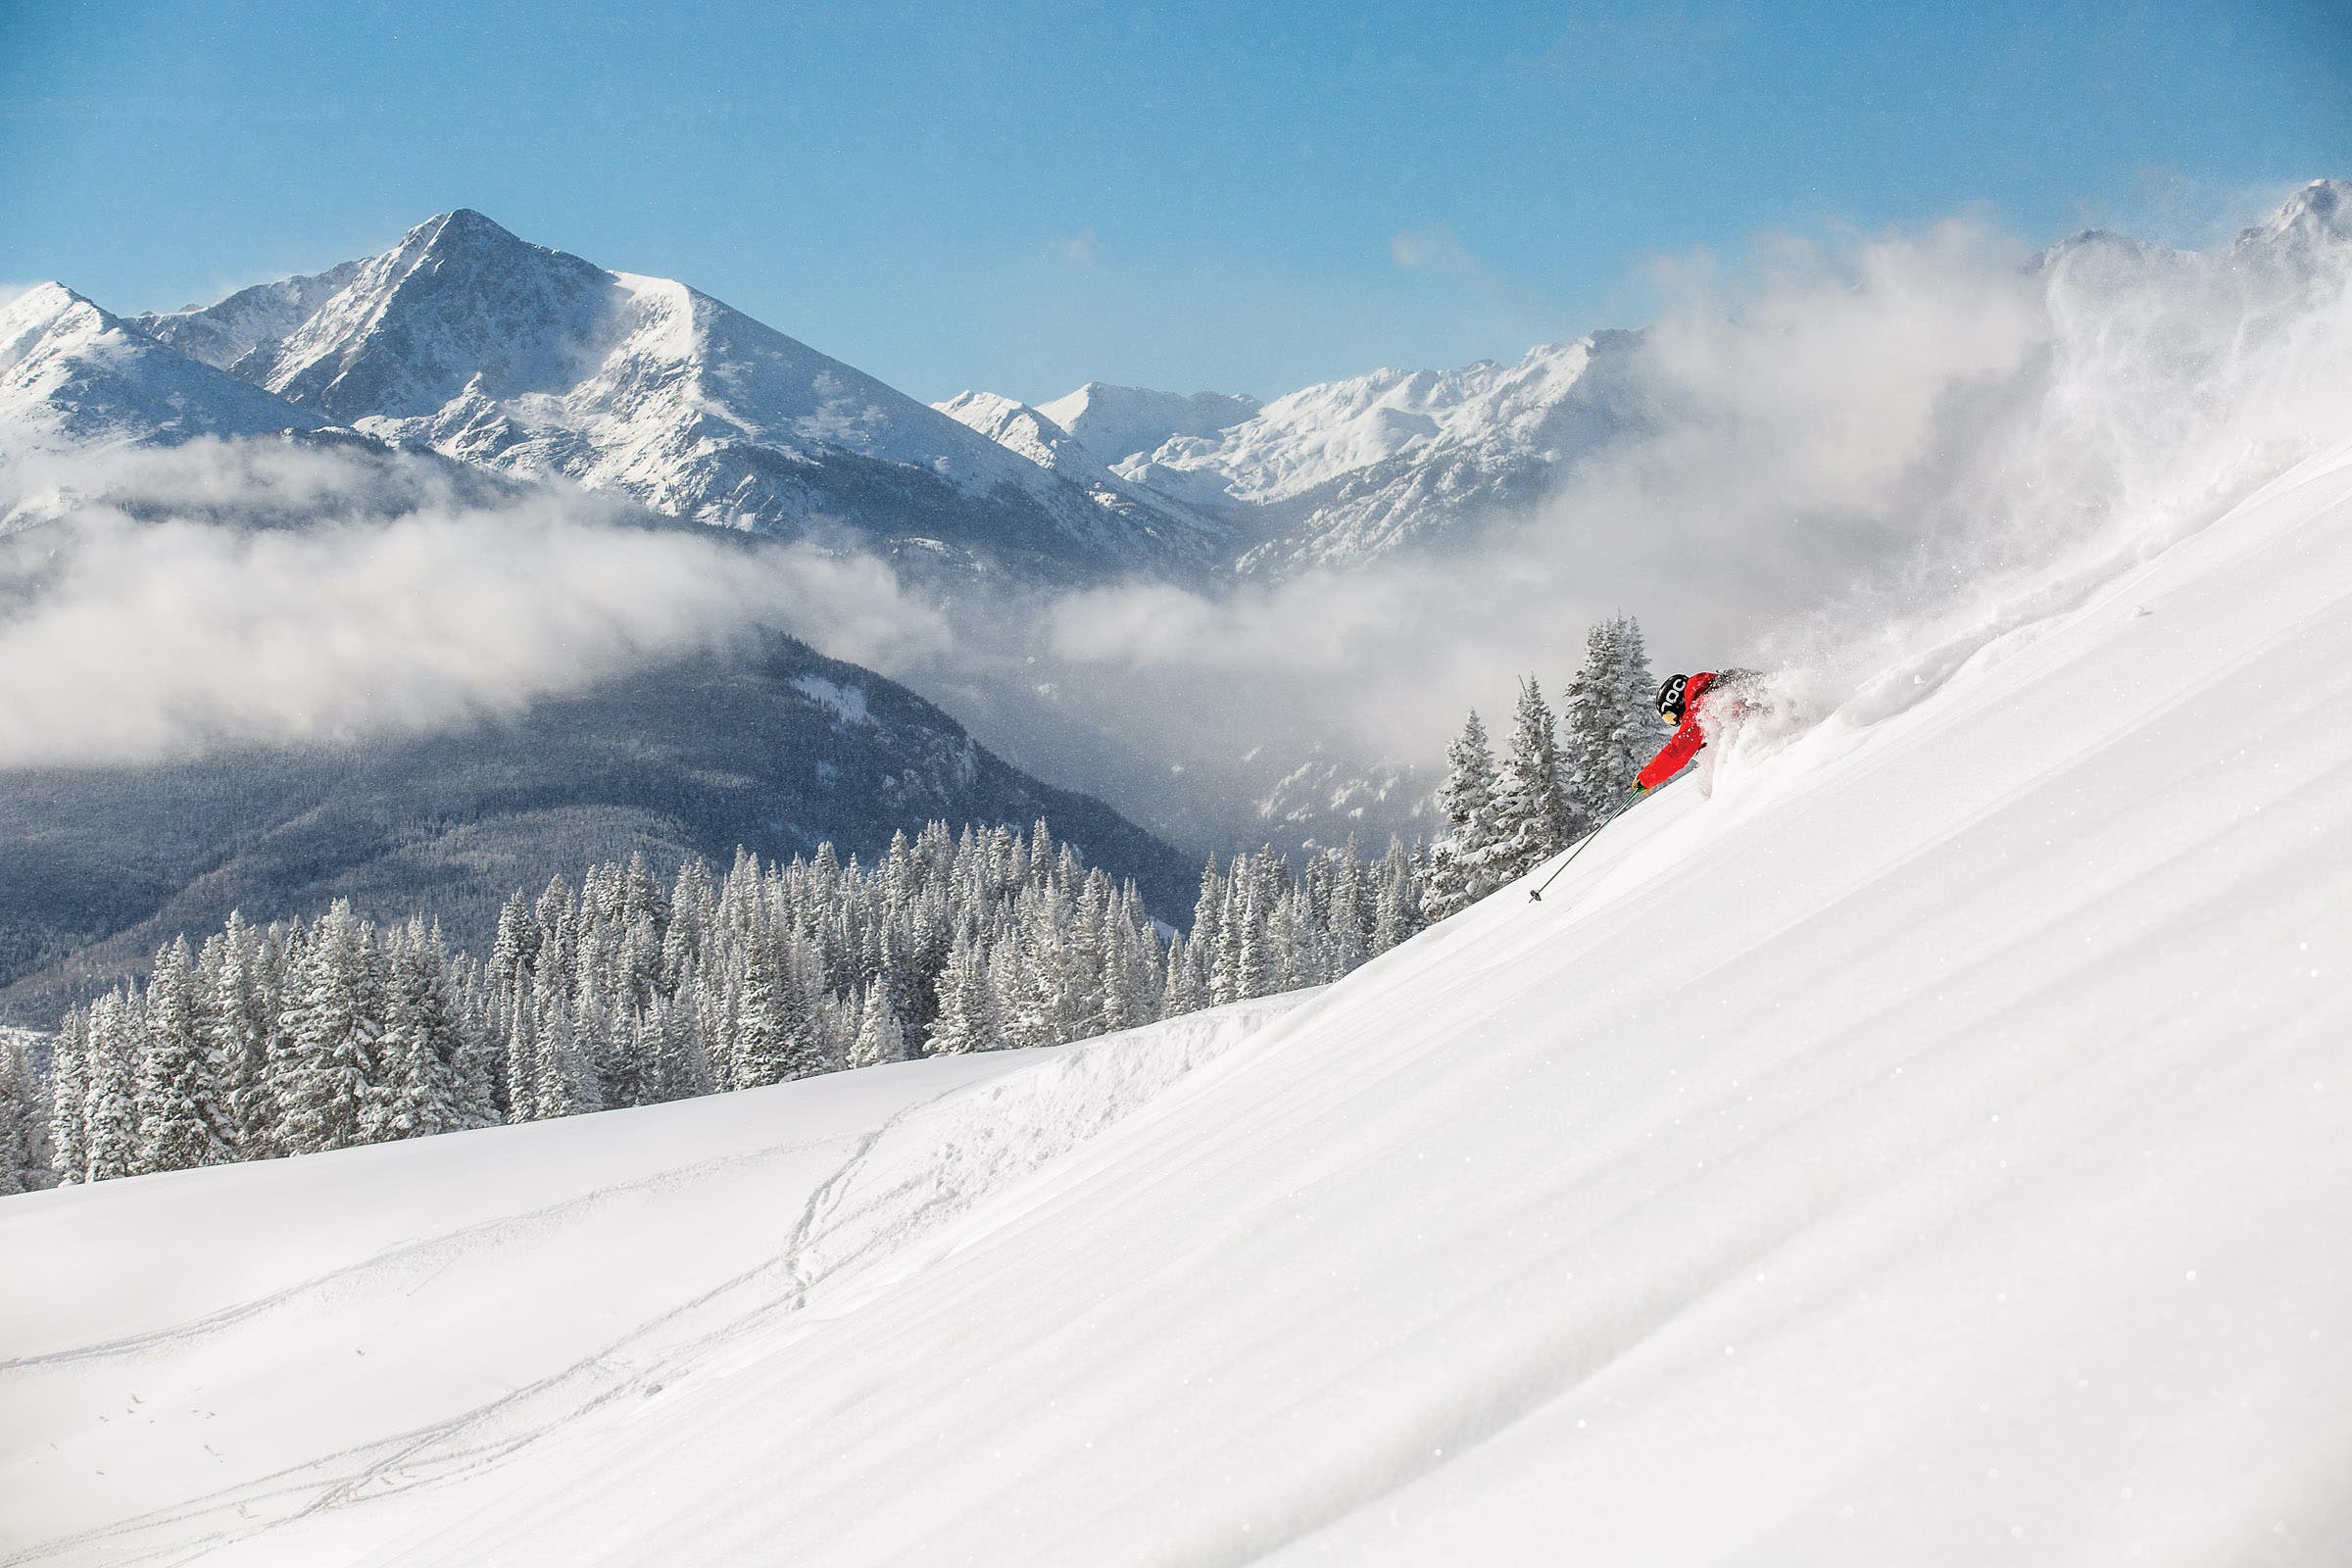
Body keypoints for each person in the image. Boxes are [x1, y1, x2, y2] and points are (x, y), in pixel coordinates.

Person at [1635, 670, 1755, 796]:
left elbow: (1679, 749)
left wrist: (1647, 778)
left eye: (1671, 717)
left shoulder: (1700, 706)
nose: (1677, 721)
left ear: (1677, 702)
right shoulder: (1717, 685)